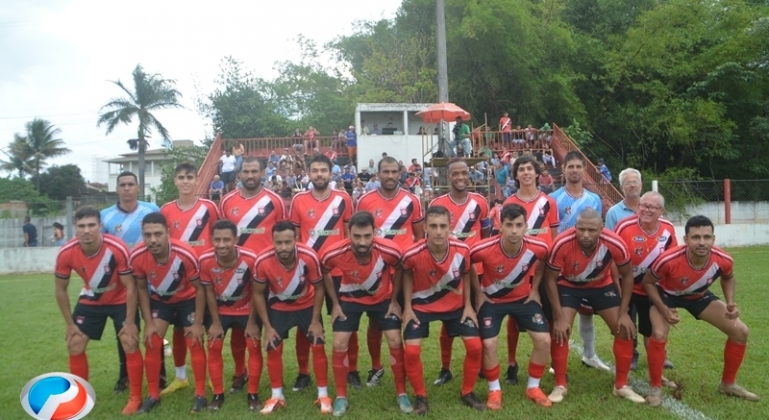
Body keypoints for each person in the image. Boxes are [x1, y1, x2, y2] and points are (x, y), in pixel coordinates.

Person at [643, 215, 759, 405]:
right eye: (696, 237)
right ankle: (655, 388)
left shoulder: (723, 259)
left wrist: (730, 302)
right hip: (666, 295)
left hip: (698, 296)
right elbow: (648, 282)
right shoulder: (669, 259)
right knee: (659, 333)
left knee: (740, 331)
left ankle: (728, 384)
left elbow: (728, 277)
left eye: (707, 237)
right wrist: (663, 309)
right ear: (686, 240)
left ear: (713, 239)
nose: (702, 242)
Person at [543, 208, 644, 404]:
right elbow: (550, 280)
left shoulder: (615, 242)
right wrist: (559, 317)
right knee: (561, 330)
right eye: (581, 229)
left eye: (592, 230)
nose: (586, 235)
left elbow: (628, 275)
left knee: (624, 329)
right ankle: (560, 384)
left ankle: (621, 385)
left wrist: (624, 313)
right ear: (575, 227)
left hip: (600, 285)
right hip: (568, 285)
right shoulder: (562, 243)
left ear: (602, 228)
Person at [160, 162, 241, 397]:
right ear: (175, 180)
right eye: (181, 177)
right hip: (178, 281)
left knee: (210, 328)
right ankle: (181, 377)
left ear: (198, 181)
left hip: (206, 280)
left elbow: (220, 237)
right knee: (179, 331)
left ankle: (220, 376)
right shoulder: (166, 210)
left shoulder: (209, 208)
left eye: (190, 177)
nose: (185, 181)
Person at [54, 206, 143, 415]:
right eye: (82, 226)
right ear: (75, 228)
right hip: (92, 299)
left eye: (91, 225)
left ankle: (135, 397)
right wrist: (69, 324)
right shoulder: (66, 252)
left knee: (129, 342)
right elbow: (60, 289)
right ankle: (80, 398)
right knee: (74, 344)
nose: (87, 230)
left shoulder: (117, 247)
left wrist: (130, 323)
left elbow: (131, 287)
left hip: (120, 299)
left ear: (100, 226)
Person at [322, 211, 412, 415]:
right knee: (338, 343)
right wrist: (335, 304)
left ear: (375, 233)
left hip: (382, 300)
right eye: (356, 236)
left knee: (395, 340)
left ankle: (402, 393)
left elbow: (399, 269)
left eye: (367, 236)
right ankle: (341, 397)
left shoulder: (390, 250)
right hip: (350, 299)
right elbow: (325, 271)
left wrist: (394, 300)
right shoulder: (334, 252)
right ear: (348, 233)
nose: (362, 242)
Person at [401, 206, 486, 415]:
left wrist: (467, 305)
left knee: (475, 347)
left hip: (456, 306)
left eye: (443, 226)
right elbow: (405, 273)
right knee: (411, 351)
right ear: (425, 227)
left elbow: (466, 273)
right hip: (421, 305)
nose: (438, 231)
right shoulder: (412, 253)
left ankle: (467, 391)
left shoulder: (463, 249)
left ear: (450, 227)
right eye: (433, 226)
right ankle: (421, 396)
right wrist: (408, 307)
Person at [471, 204, 553, 409]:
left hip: (524, 299)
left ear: (526, 226)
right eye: (509, 225)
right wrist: (478, 293)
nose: (514, 230)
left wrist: (535, 289)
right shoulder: (483, 248)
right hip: (492, 301)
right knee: (489, 344)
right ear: (500, 226)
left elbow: (542, 260)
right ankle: (494, 390)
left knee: (544, 340)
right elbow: (467, 263)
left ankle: (533, 387)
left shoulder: (538, 247)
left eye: (519, 225)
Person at [356, 156, 425, 387]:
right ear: (378, 174)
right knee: (376, 322)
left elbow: (418, 237)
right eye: (385, 172)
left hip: (403, 272)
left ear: (400, 173)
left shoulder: (412, 200)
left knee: (407, 319)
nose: (390, 176)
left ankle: (405, 364)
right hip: (374, 271)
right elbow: (359, 235)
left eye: (394, 171)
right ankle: (376, 367)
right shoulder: (365, 200)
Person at [288, 154, 355, 392]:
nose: (319, 174)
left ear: (331, 173)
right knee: (304, 324)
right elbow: (295, 238)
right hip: (308, 273)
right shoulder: (298, 201)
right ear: (308, 173)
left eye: (323, 170)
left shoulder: (344, 198)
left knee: (347, 323)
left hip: (338, 272)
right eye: (314, 170)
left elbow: (349, 236)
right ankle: (304, 372)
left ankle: (351, 370)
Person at [130, 212, 207, 414]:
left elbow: (200, 288)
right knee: (152, 341)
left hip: (187, 299)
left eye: (158, 234)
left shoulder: (185, 253)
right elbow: (140, 289)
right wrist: (147, 322)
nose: (153, 240)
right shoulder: (137, 256)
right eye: (148, 235)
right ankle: (153, 394)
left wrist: (198, 323)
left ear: (168, 233)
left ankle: (200, 394)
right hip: (161, 300)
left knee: (195, 340)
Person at [252, 222, 331, 414]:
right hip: (279, 307)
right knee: (272, 346)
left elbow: (320, 287)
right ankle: (277, 395)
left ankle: (323, 394)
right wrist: (267, 327)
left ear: (296, 239)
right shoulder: (262, 260)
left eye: (288, 242)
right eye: (279, 242)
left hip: (307, 305)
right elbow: (257, 293)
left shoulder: (309, 256)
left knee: (318, 343)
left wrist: (314, 321)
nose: (284, 247)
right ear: (272, 241)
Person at [429, 158, 489, 386]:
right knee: (448, 320)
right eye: (455, 174)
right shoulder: (438, 203)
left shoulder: (481, 202)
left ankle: (482, 363)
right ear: (448, 176)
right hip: (450, 272)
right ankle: (445, 368)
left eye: (464, 173)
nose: (461, 177)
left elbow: (486, 238)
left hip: (478, 271)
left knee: (480, 317)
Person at [100, 171, 161, 393]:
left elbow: (162, 240)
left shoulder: (152, 211)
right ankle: (124, 375)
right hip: (122, 285)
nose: (127, 188)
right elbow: (102, 250)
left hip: (151, 281)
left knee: (155, 327)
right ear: (117, 189)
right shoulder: (105, 216)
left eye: (131, 184)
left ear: (138, 188)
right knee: (126, 329)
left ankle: (160, 374)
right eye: (123, 185)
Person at [501, 155, 560, 384]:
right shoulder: (509, 203)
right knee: (514, 318)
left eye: (529, 168)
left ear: (537, 173)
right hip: (518, 270)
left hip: (544, 270)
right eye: (521, 169)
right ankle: (512, 364)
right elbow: (504, 237)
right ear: (515, 175)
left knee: (552, 316)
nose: (526, 172)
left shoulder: (548, 202)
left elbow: (553, 238)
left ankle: (556, 360)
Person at [550, 151, 609, 372]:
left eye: (578, 167)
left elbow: (598, 233)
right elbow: (552, 231)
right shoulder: (553, 198)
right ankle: (557, 362)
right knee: (562, 313)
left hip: (589, 264)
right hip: (562, 264)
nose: (574, 170)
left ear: (584, 170)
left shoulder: (594, 199)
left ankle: (589, 354)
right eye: (570, 166)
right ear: (563, 169)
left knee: (586, 310)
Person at [199, 220, 263, 411]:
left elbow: (256, 293)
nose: (221, 244)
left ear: (236, 238)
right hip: (220, 311)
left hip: (247, 309)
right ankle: (218, 395)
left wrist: (252, 323)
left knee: (253, 344)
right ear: (211, 240)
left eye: (227, 239)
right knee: (214, 344)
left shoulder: (251, 259)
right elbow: (209, 292)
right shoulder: (204, 260)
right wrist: (215, 322)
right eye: (217, 239)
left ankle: (253, 394)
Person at [615, 192, 677, 377]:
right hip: (625, 286)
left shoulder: (668, 229)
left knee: (652, 331)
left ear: (661, 211)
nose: (646, 210)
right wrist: (617, 289)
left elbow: (672, 261)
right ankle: (625, 369)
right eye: (643, 205)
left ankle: (656, 368)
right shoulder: (624, 227)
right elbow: (611, 257)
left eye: (652, 207)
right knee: (625, 326)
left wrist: (670, 297)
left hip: (653, 289)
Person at [220, 157, 287, 252]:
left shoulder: (276, 201)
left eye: (254, 171)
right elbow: (221, 235)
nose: (250, 175)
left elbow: (284, 236)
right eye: (246, 172)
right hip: (237, 264)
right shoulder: (226, 201)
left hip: (266, 262)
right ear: (239, 174)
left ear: (262, 173)